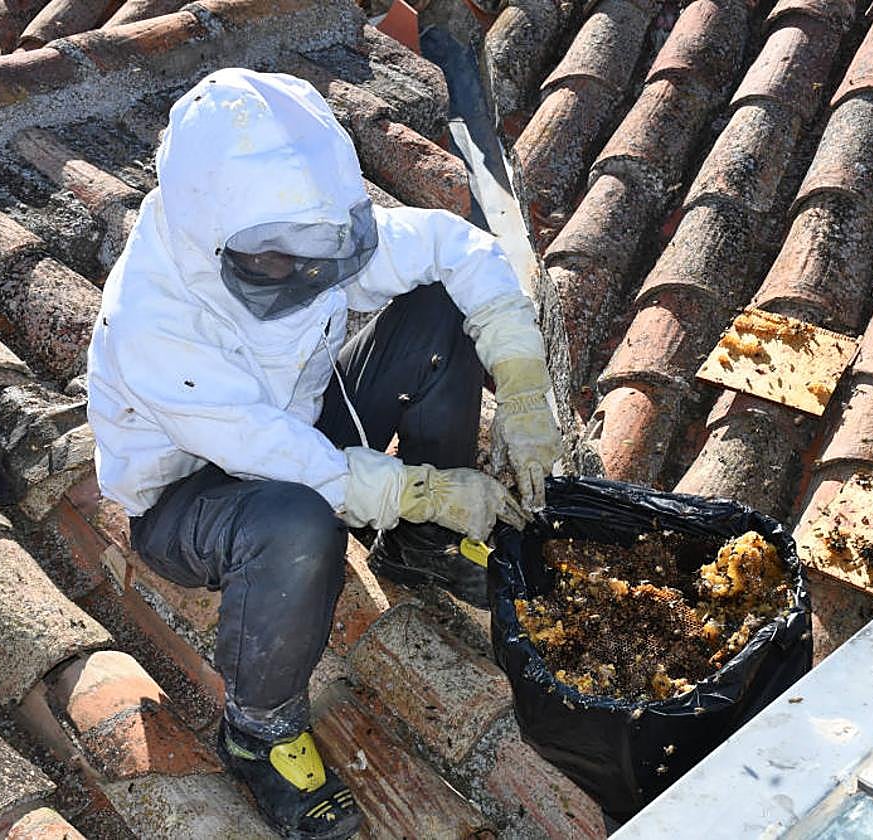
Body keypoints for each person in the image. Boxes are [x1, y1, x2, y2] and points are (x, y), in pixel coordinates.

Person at [86, 69, 562, 838]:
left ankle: (420, 548)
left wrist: (522, 378)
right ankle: (259, 731)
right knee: (299, 525)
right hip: (190, 499)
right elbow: (274, 456)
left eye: (320, 251)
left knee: (440, 308)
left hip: (299, 427)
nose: (308, 274)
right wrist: (424, 488)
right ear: (221, 238)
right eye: (282, 260)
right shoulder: (156, 320)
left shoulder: (302, 232)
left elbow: (454, 248)